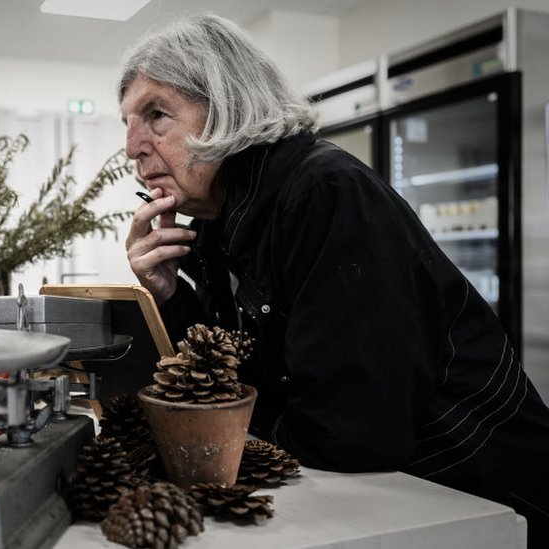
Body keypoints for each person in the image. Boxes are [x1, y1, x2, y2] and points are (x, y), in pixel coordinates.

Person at [121, 13, 549, 546]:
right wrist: (169, 295)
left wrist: (239, 430)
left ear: (228, 107)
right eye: (128, 124)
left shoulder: (325, 194)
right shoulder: (219, 227)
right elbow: (227, 377)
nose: (132, 146)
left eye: (156, 114)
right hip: (395, 503)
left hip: (485, 503)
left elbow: (349, 434)